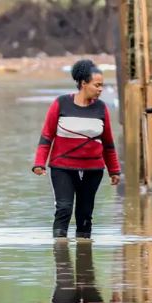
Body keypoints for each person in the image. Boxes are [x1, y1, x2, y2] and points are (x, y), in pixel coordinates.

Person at [32, 59, 121, 239]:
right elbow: (47, 136)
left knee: (85, 214)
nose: (100, 89)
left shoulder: (101, 108)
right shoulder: (61, 103)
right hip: (62, 167)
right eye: (97, 85)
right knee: (64, 208)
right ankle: (61, 258)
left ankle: (84, 259)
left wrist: (114, 170)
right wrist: (39, 163)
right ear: (83, 83)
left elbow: (108, 143)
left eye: (102, 85)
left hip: (93, 170)